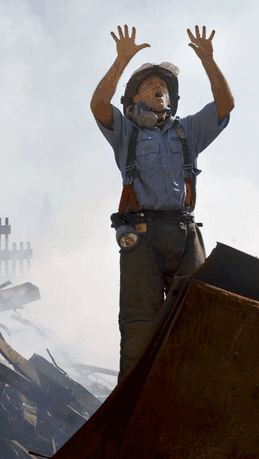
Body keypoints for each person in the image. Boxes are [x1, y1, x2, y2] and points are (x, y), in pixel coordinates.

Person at [90, 25, 234, 380]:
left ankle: (196, 398)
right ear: (135, 97)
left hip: (185, 233)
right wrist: (122, 60)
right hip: (142, 235)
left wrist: (209, 61)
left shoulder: (187, 131)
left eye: (165, 87)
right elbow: (97, 106)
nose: (160, 89)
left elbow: (225, 105)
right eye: (151, 85)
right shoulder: (126, 132)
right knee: (140, 327)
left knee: (199, 315)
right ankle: (130, 409)